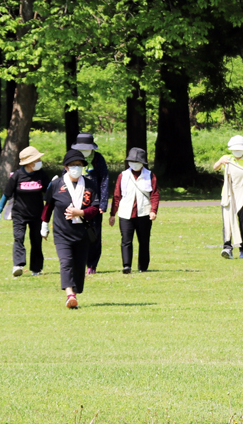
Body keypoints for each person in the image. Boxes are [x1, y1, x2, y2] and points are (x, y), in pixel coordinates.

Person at [42, 149, 100, 309]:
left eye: (79, 165)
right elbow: (48, 206)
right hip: (62, 232)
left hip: (82, 233)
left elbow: (96, 208)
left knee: (79, 266)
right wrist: (44, 224)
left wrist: (80, 212)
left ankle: (75, 290)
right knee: (66, 262)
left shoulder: (90, 185)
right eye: (73, 165)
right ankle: (70, 295)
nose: (76, 168)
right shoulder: (56, 184)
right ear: (66, 167)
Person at [0, 145, 50, 277]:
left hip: (37, 214)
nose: (39, 162)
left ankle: (36, 269)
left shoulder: (41, 175)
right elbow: (6, 194)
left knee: (36, 240)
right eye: (37, 160)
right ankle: (18, 265)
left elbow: (49, 192)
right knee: (19, 238)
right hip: (19, 214)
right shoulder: (17, 176)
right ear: (29, 162)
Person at [109, 148, 160, 274]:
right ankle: (127, 265)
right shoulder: (123, 175)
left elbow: (154, 194)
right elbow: (117, 195)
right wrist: (112, 214)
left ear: (142, 162)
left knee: (144, 241)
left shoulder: (150, 175)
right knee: (126, 240)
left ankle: (143, 266)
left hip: (144, 212)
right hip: (125, 213)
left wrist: (153, 210)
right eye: (131, 161)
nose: (134, 163)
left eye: (137, 161)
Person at [215, 135, 243, 259]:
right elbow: (215, 167)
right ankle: (227, 247)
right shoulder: (227, 158)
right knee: (227, 220)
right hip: (228, 195)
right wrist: (220, 162)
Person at [72, 132, 109, 275]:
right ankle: (77, 262)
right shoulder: (72, 158)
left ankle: (92, 264)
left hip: (94, 202)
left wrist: (103, 203)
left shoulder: (98, 159)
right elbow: (65, 178)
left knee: (94, 234)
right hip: (76, 201)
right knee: (76, 234)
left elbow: (104, 180)